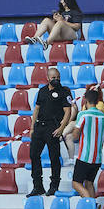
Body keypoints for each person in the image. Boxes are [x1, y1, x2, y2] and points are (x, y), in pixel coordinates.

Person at [28, 65, 73, 196]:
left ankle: (54, 185)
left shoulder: (64, 92)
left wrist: (61, 128)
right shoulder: (42, 91)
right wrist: (32, 127)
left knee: (54, 157)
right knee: (33, 155)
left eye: (58, 77)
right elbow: (36, 109)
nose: (56, 80)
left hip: (53, 128)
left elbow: (68, 112)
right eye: (53, 77)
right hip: (39, 127)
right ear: (47, 78)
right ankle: (38, 186)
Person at [63, 86, 104, 198]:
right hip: (97, 158)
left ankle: (90, 206)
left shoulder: (83, 114)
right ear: (97, 101)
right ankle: (93, 208)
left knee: (76, 183)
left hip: (85, 156)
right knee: (89, 183)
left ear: (86, 101)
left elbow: (75, 136)